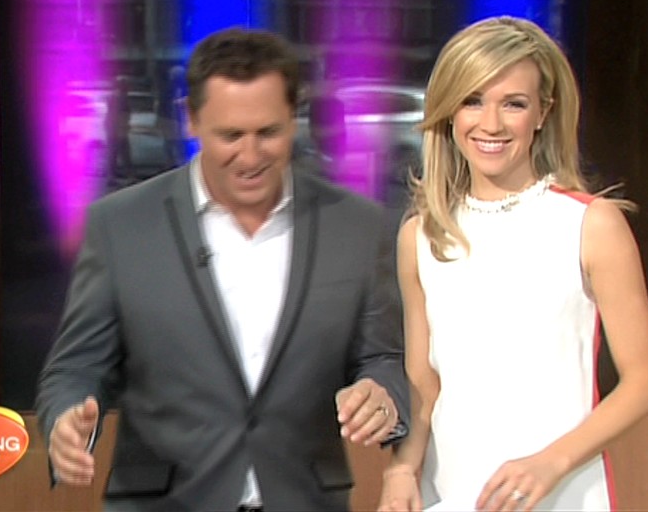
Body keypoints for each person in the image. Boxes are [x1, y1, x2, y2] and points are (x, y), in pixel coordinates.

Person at [36, 26, 409, 512]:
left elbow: (384, 356)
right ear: (190, 120)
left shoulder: (356, 225)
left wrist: (382, 393)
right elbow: (76, 367)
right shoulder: (120, 225)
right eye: (230, 135)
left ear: (293, 119)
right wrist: (67, 422)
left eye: (268, 133)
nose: (250, 156)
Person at [377, 16, 648, 512]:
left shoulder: (591, 225)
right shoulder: (421, 237)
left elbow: (646, 382)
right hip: (451, 494)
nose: (490, 124)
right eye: (472, 101)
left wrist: (550, 463)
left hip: (561, 493)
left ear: (542, 112)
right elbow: (425, 385)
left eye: (513, 103)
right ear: (448, 111)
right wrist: (401, 469)